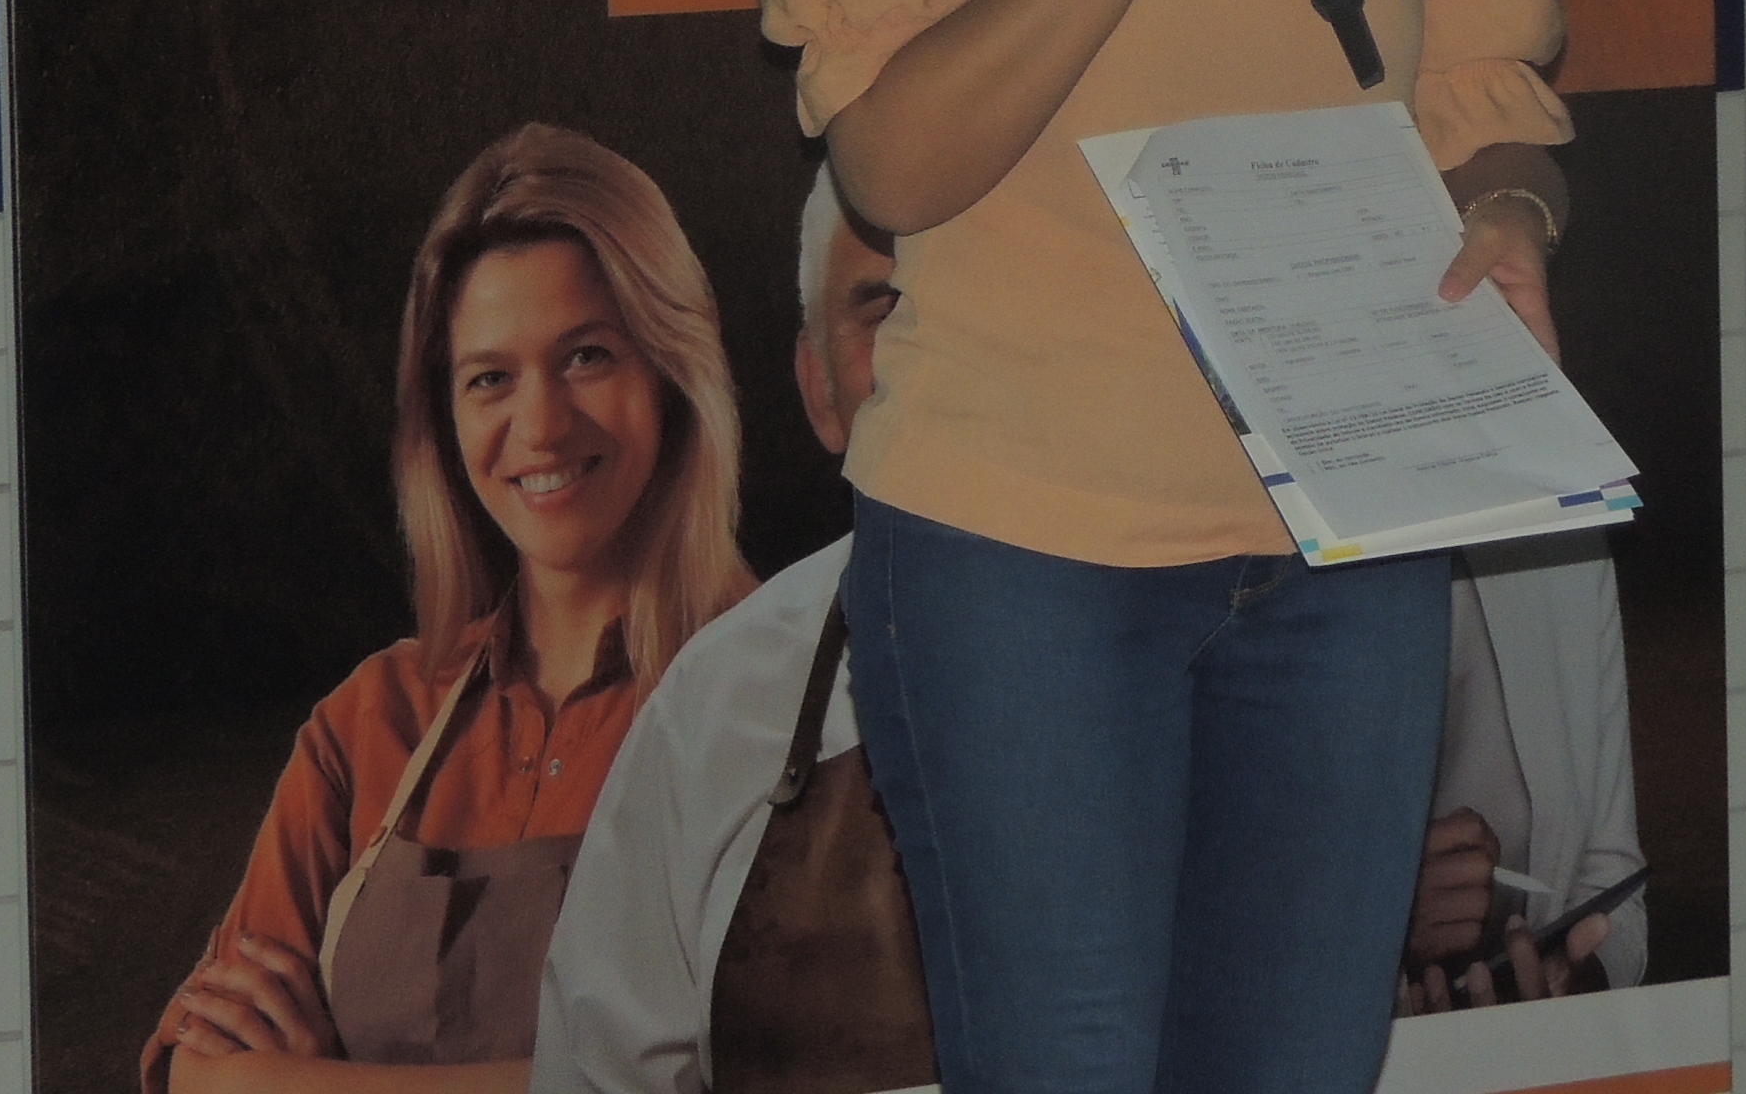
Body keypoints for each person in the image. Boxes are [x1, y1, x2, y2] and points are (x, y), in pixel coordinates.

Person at [747, 0, 1581, 1093]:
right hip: (1026, 562)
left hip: (1344, 551)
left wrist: (1509, 211)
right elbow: (890, 160)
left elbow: (1482, 100)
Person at [532, 172, 1644, 1094]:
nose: (950, 346)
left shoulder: (1304, 633)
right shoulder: (722, 706)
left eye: (989, 293)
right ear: (820, 390)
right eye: (885, 308)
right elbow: (593, 1070)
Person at [144, 126, 758, 1094]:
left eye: (588, 356)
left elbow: (765, 1072)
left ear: (672, 373)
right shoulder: (370, 723)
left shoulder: (780, 701)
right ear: (445, 416)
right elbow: (199, 1072)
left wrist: (302, 1084)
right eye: (490, 379)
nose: (540, 425)